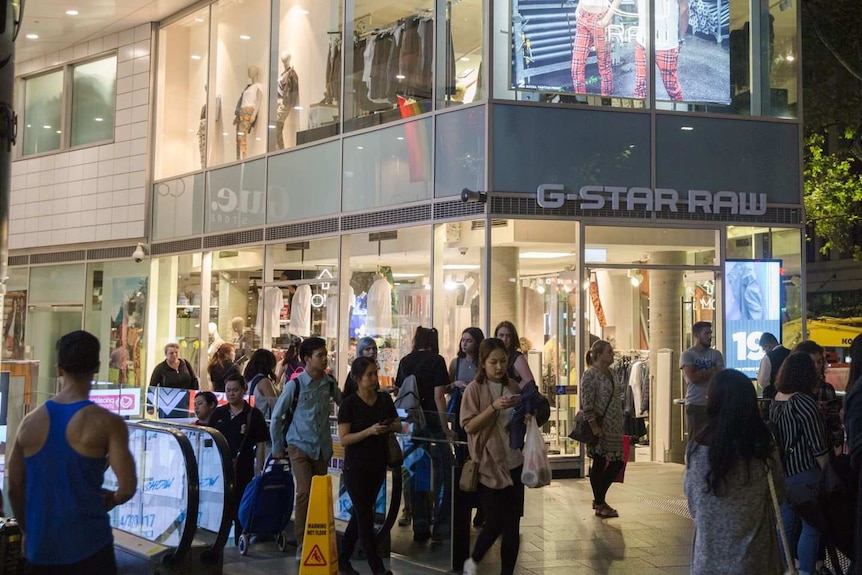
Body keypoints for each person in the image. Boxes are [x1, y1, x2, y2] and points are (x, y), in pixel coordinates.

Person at [7, 330, 137, 574]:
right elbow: (127, 487)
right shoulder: (108, 423)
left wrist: (27, 531)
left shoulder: (29, 422)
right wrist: (113, 500)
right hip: (91, 548)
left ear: (58, 369)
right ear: (97, 367)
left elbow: (14, 485)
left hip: (41, 549)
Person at [684, 369, 785, 574]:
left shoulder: (696, 448)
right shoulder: (762, 446)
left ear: (712, 401)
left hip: (708, 560)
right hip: (756, 559)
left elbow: (693, 503)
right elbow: (780, 493)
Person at [270, 337, 341, 559]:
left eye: (325, 354)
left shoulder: (329, 383)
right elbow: (277, 416)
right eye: (320, 355)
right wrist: (277, 445)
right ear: (307, 359)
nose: (324, 359)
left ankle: (319, 538)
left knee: (319, 495)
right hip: (298, 444)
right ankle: (302, 542)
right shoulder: (296, 384)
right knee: (305, 492)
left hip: (321, 447)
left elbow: (344, 404)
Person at [460, 338, 525, 575]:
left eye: (503, 361)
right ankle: (474, 560)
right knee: (494, 522)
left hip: (514, 462)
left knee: (512, 525)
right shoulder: (474, 389)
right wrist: (493, 407)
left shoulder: (514, 387)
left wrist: (528, 414)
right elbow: (469, 426)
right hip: (488, 464)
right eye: (493, 362)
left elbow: (520, 421)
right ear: (483, 363)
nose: (499, 367)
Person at [337, 357, 400, 575]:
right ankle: (377, 568)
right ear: (357, 378)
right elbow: (344, 438)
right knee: (365, 517)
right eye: (369, 375)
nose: (374, 378)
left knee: (361, 514)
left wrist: (389, 426)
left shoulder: (384, 400)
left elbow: (398, 424)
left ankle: (343, 558)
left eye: (376, 373)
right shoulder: (349, 404)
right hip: (356, 467)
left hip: (378, 464)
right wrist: (369, 431)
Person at [770, 352, 829, 575]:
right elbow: (819, 447)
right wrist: (828, 473)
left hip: (783, 473)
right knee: (811, 527)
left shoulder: (777, 399)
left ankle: (786, 568)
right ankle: (805, 570)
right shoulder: (804, 402)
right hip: (805, 473)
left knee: (785, 526)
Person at [394, 326, 453, 542]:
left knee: (416, 472)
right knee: (442, 473)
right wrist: (445, 427)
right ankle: (440, 525)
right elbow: (439, 396)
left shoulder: (405, 361)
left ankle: (420, 525)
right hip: (432, 424)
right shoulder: (437, 360)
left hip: (410, 424)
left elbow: (399, 391)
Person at [211, 373, 268, 544]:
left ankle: (239, 540)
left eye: (235, 390)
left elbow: (260, 444)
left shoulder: (253, 415)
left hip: (243, 469)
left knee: (240, 507)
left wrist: (259, 470)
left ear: (243, 390)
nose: (231, 394)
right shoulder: (219, 413)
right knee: (221, 508)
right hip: (219, 469)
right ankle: (218, 543)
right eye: (228, 390)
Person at [580, 339, 625, 518]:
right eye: (609, 352)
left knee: (616, 462)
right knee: (599, 462)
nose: (612, 355)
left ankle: (599, 499)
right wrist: (593, 424)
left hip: (614, 426)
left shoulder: (613, 373)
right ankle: (600, 502)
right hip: (599, 426)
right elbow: (587, 402)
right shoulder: (590, 375)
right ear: (598, 354)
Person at [449, 327, 485, 527]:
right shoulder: (456, 363)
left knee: (478, 456)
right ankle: (464, 502)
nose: (464, 344)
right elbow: (447, 385)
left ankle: (480, 507)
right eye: (462, 340)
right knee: (463, 456)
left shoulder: (482, 364)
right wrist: (455, 385)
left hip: (479, 414)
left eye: (469, 340)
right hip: (461, 414)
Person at [793, 340, 843, 451]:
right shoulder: (791, 390)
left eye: (819, 362)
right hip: (800, 452)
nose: (816, 366)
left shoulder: (827, 389)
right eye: (811, 362)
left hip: (825, 447)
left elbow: (835, 423)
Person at [634, 0, 689, 101]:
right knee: (672, 88)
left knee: (640, 88)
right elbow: (684, 9)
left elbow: (637, 4)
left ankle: (640, 114)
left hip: (646, 40)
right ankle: (679, 114)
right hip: (664, 42)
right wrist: (681, 38)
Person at [680, 322, 724, 441]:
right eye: (706, 333)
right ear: (697, 335)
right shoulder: (688, 354)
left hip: (713, 403)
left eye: (710, 333)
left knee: (714, 440)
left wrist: (701, 373)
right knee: (695, 440)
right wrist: (713, 370)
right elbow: (692, 378)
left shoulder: (716, 354)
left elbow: (720, 376)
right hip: (695, 404)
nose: (710, 336)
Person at [570, 0, 622, 96]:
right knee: (576, 68)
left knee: (604, 67)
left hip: (600, 18)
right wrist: (578, 8)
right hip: (583, 16)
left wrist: (606, 18)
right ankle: (581, 103)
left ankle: (606, 103)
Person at [244, 348, 280, 423]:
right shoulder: (264, 382)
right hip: (264, 422)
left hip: (252, 422)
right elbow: (275, 405)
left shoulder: (248, 379)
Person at [494, 321, 536, 386]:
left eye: (508, 336)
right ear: (496, 337)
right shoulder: (494, 355)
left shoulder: (517, 357)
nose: (504, 339)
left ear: (512, 338)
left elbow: (529, 380)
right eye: (501, 335)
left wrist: (513, 392)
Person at [757, 332, 789, 398]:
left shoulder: (768, 357)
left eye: (764, 348)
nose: (764, 351)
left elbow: (763, 382)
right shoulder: (792, 353)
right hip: (791, 397)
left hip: (772, 397)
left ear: (768, 346)